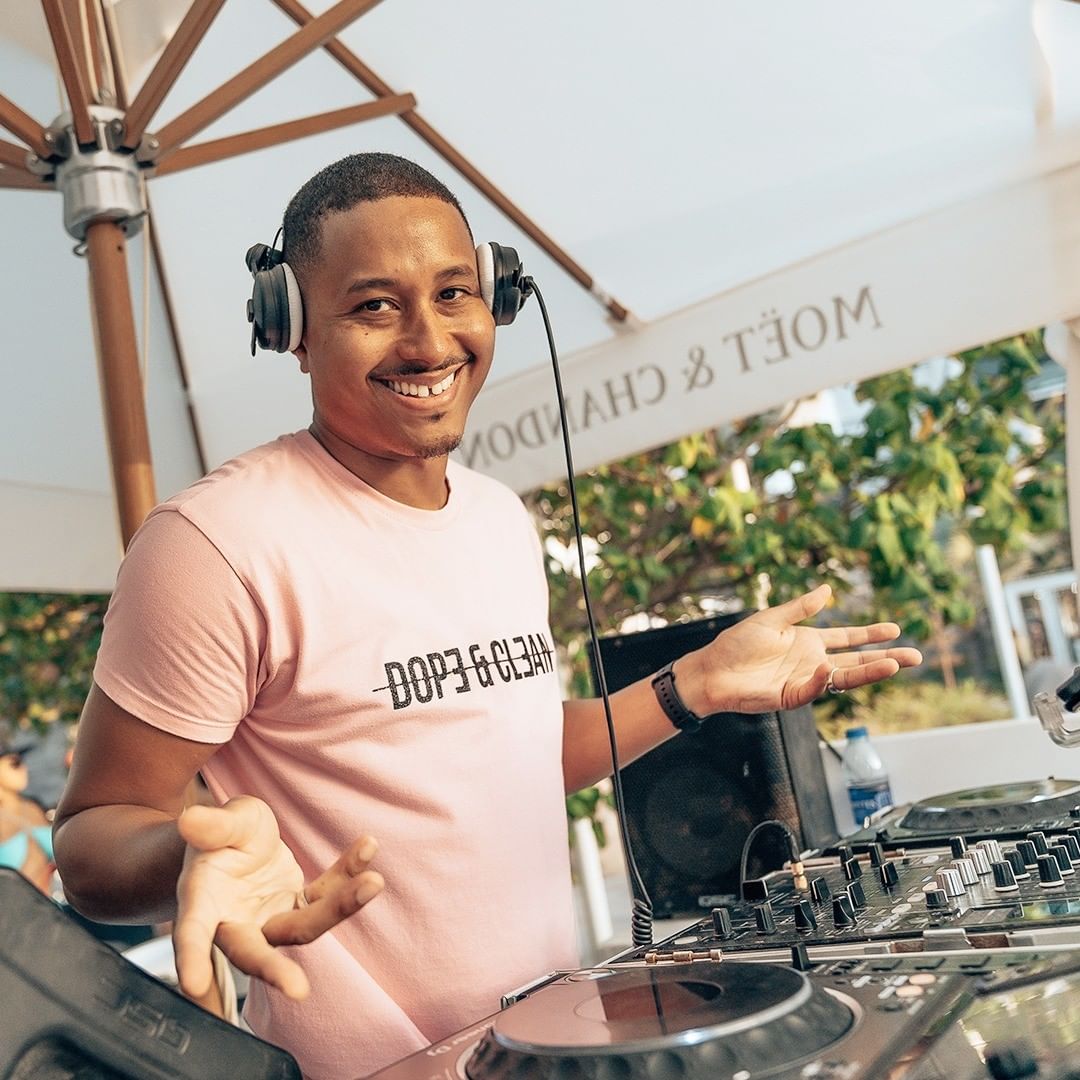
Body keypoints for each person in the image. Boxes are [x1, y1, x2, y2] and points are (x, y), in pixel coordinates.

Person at [53, 152, 922, 1078]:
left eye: (453, 293)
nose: (428, 342)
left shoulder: (500, 518)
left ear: (495, 298)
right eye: (374, 306)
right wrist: (185, 857)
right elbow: (91, 835)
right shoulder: (213, 543)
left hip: (551, 1048)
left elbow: (512, 756)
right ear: (291, 328)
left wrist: (693, 686)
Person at [0, 729, 54, 893]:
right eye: (15, 764)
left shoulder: (33, 806)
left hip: (56, 903)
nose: (24, 768)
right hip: (14, 906)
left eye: (22, 762)